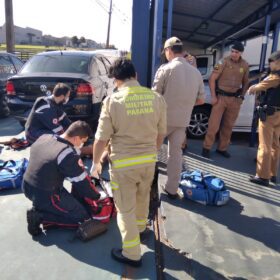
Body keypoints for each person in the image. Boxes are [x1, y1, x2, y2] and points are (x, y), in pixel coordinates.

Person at [91, 58, 166, 267]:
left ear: (116, 80)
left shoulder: (112, 101)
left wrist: (96, 164)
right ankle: (141, 230)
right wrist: (152, 152)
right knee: (143, 198)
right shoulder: (156, 98)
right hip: (148, 162)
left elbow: (101, 139)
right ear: (136, 76)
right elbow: (161, 134)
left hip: (124, 165)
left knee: (125, 210)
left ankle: (132, 254)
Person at [22, 121, 103, 239]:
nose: (82, 144)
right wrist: (96, 196)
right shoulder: (66, 154)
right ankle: (40, 216)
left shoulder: (45, 137)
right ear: (76, 138)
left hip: (27, 185)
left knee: (68, 202)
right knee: (84, 218)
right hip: (47, 193)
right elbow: (82, 182)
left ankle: (43, 206)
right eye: (83, 141)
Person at [152, 36, 205, 199]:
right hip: (182, 120)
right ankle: (172, 189)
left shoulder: (165, 69)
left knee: (150, 152)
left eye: (165, 51)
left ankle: (147, 186)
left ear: (169, 50)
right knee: (175, 154)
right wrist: (185, 104)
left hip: (162, 120)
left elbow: (155, 96)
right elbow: (201, 100)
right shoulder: (196, 73)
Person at [202, 41, 249, 158]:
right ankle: (206, 148)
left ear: (241, 53)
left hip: (234, 99)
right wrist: (213, 96)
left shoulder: (245, 65)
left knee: (228, 126)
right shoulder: (223, 62)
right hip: (221, 98)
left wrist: (242, 96)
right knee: (214, 125)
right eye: (232, 51)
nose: (233, 54)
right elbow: (212, 79)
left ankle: (222, 148)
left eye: (236, 52)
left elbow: (246, 82)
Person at [248, 51, 280, 186]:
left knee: (264, 145)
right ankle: (273, 174)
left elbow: (258, 87)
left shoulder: (275, 77)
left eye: (271, 62)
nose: (269, 64)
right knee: (275, 145)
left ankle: (262, 176)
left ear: (277, 62)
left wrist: (252, 88)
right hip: (278, 114)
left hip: (269, 114)